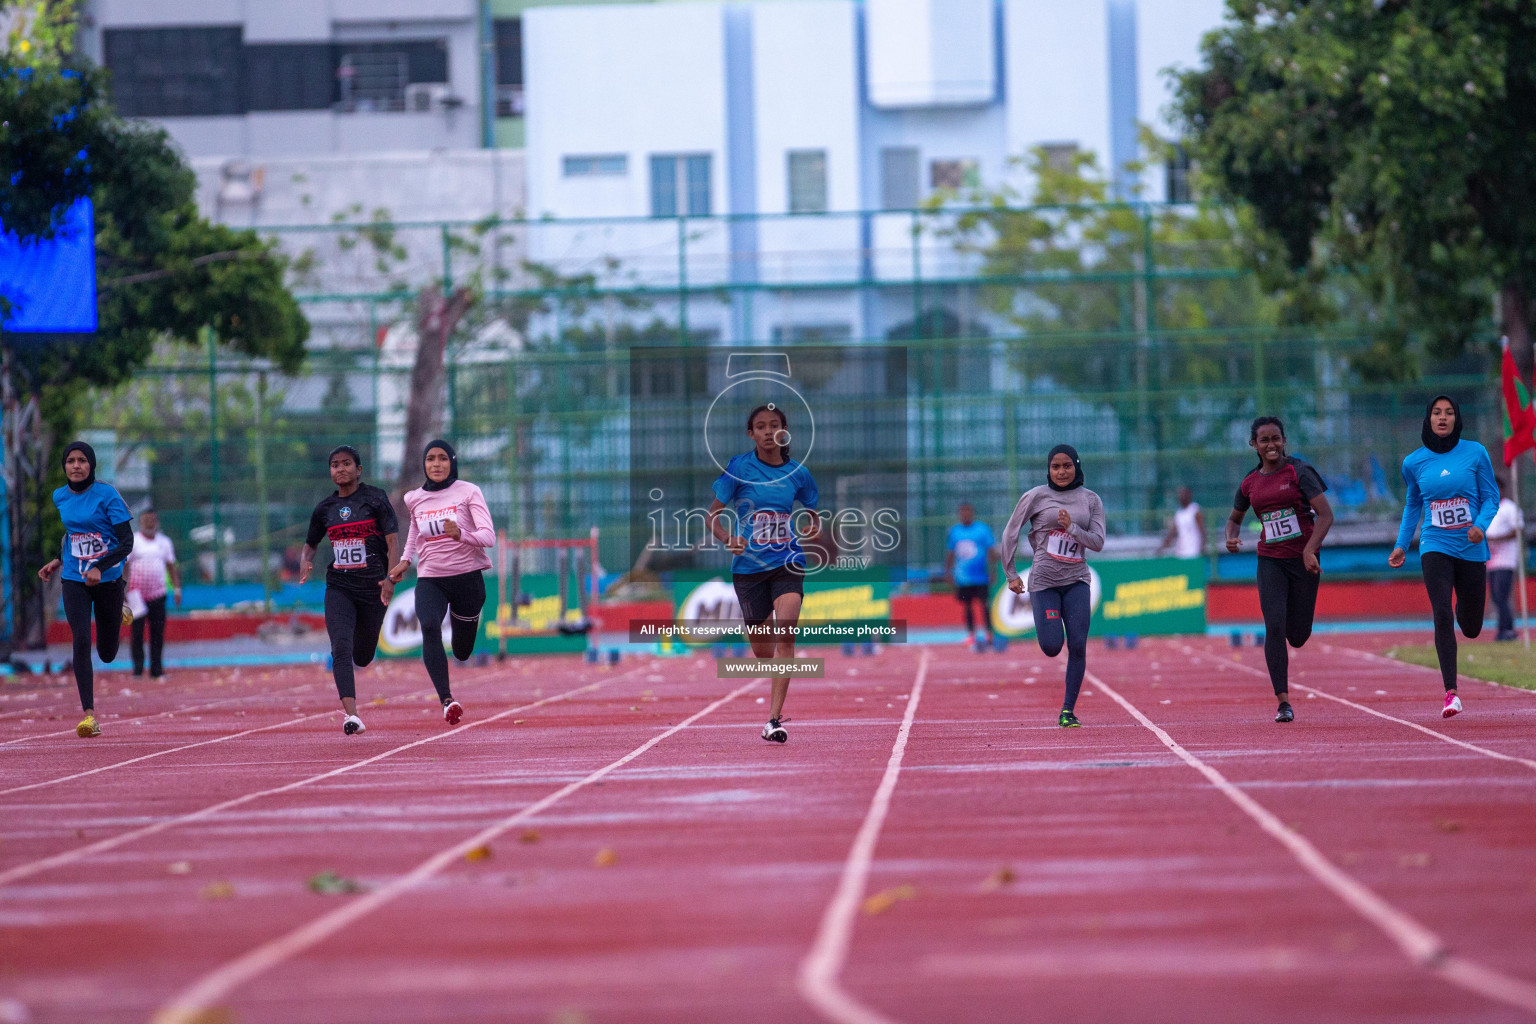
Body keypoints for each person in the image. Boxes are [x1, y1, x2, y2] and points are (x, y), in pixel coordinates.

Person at [707, 404, 821, 743]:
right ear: (751, 433)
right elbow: (712, 515)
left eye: (774, 426)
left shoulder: (799, 474)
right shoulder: (739, 468)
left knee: (786, 636)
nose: (768, 431)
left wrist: (812, 526)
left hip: (788, 562)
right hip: (748, 570)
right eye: (760, 426)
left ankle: (773, 719)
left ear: (784, 431)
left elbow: (812, 513)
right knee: (762, 651)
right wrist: (729, 538)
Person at [1389, 395, 1499, 718]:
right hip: (1434, 544)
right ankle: (1451, 693)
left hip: (1471, 546)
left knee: (1472, 626)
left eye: (1449, 413)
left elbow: (1491, 498)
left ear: (1456, 419)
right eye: (1437, 412)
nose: (1442, 417)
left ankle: (1463, 609)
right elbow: (1412, 505)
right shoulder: (1414, 462)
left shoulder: (1476, 453)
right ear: (1428, 419)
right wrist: (1401, 543)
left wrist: (1480, 526)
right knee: (1441, 613)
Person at [1225, 417, 1334, 723]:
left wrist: (1310, 549)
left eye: (1276, 439)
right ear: (1254, 445)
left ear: (1284, 441)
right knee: (1274, 625)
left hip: (1304, 561)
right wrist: (1231, 537)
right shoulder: (1249, 482)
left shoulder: (1299, 472)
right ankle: (1283, 702)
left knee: (1297, 635)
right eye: (1264, 440)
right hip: (1269, 560)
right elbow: (1234, 518)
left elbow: (1325, 515)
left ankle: (1292, 624)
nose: (1271, 445)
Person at [388, 440, 496, 725]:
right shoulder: (414, 498)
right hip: (431, 578)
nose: (436, 464)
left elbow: (489, 537)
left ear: (453, 462)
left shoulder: (469, 492)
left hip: (467, 580)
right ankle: (447, 700)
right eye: (430, 459)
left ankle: (461, 649)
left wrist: (461, 534)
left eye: (442, 459)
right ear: (424, 465)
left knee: (462, 651)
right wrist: (406, 559)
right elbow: (414, 528)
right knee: (429, 625)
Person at [1000, 445, 1105, 728]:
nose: (1061, 471)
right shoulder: (1035, 496)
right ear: (1048, 469)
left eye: (1067, 466)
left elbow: (1097, 542)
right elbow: (1011, 532)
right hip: (1044, 582)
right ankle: (1047, 625)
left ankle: (1068, 711)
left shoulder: (1091, 500)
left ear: (1077, 467)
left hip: (1077, 581)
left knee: (1079, 644)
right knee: (1051, 646)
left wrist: (1072, 528)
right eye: (1055, 467)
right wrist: (1010, 573)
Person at [37, 442, 134, 738]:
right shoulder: (60, 496)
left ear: (91, 465)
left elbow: (126, 543)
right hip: (74, 578)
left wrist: (100, 568)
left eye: (82, 461)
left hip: (107, 580)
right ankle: (89, 716)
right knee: (80, 639)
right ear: (64, 466)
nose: (76, 466)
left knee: (106, 653)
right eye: (70, 461)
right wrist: (57, 560)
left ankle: (117, 610)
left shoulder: (108, 495)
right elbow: (73, 532)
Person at [300, 445, 399, 736]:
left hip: (373, 587)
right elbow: (311, 543)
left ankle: (361, 642)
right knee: (340, 647)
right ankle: (351, 715)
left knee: (363, 656)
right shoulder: (324, 509)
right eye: (334, 465)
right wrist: (306, 560)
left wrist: (391, 578)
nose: (340, 469)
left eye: (346, 464)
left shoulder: (375, 498)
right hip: (339, 586)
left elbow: (393, 543)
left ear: (358, 469)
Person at [126, 507, 182, 679]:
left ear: (156, 522)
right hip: (136, 595)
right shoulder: (133, 542)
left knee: (157, 633)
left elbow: (171, 566)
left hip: (158, 594)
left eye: (152, 520)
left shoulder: (164, 543)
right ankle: (137, 669)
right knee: (137, 633)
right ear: (140, 522)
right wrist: (122, 589)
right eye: (146, 520)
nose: (149, 523)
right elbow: (124, 566)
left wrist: (177, 588)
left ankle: (156, 670)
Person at [945, 502, 996, 649]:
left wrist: (992, 570)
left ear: (972, 513)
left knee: (985, 604)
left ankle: (988, 633)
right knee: (967, 606)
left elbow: (990, 550)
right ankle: (971, 634)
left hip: (981, 576)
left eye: (968, 511)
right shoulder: (955, 532)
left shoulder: (982, 529)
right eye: (963, 512)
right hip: (963, 578)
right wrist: (948, 572)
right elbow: (950, 553)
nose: (965, 514)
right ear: (959, 514)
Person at [1485, 473, 1524, 641]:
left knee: (1501, 594)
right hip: (1491, 560)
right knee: (1495, 596)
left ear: (1501, 489)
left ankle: (1507, 630)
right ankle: (1502, 629)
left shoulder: (1509, 508)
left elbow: (1518, 531)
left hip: (1506, 559)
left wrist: (1495, 539)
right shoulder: (1487, 508)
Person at [1159, 486, 1206, 559]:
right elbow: (1173, 533)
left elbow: (1202, 531)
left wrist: (1202, 548)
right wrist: (1162, 548)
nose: (1181, 497)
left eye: (1183, 494)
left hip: (1194, 551)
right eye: (1180, 495)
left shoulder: (1195, 510)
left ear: (1189, 495)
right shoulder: (1179, 513)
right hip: (1181, 552)